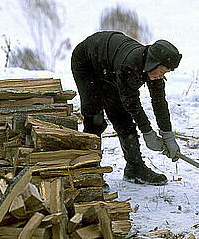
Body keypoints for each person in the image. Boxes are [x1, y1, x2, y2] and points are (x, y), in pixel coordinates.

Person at [71, 31, 182, 185]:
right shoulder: (130, 66)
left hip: (110, 67)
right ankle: (88, 171)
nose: (161, 76)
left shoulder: (154, 70)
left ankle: (134, 169)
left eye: (166, 73)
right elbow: (132, 104)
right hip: (87, 63)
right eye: (162, 71)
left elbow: (159, 103)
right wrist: (148, 133)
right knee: (94, 119)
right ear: (152, 62)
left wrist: (168, 136)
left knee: (123, 119)